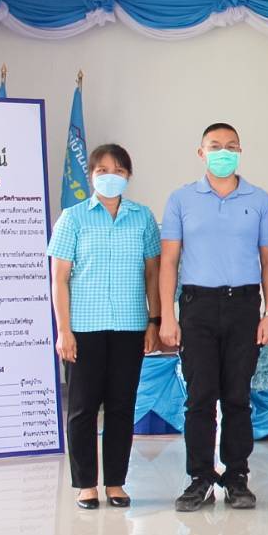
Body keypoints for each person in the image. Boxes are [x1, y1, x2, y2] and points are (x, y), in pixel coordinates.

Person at [159, 122, 268, 512]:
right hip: (197, 306)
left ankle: (237, 476)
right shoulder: (181, 199)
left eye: (230, 146)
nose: (222, 153)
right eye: (215, 146)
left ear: (240, 152)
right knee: (200, 397)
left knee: (237, 396)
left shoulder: (259, 200)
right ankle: (200, 477)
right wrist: (167, 316)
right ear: (201, 153)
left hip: (244, 306)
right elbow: (169, 261)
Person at [48, 143, 161, 509]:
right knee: (82, 408)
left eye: (118, 171)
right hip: (84, 328)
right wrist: (63, 330)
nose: (110, 177)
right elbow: (59, 279)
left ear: (128, 176)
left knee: (121, 407)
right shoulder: (73, 218)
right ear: (91, 175)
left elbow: (153, 273)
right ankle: (85, 484)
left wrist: (154, 321)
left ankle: (115, 482)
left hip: (130, 326)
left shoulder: (142, 218)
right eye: (102, 171)